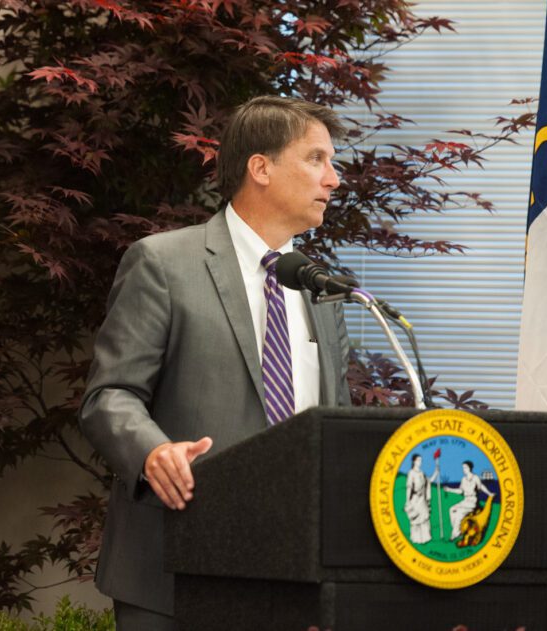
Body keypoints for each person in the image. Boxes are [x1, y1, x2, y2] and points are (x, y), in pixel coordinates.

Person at [79, 95, 352, 629]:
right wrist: (153, 451)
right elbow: (108, 396)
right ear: (261, 168)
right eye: (317, 159)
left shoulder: (319, 286)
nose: (334, 179)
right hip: (175, 569)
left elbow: (333, 421)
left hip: (291, 572)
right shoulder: (163, 263)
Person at [444, 460, 494, 540]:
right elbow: (461, 491)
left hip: (472, 502)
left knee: (459, 514)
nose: (463, 469)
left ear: (470, 468)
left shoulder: (475, 478)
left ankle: (454, 534)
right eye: (463, 468)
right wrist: (449, 489)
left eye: (465, 467)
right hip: (465, 501)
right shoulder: (463, 479)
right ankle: (459, 530)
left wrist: (489, 493)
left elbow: (481, 487)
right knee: (451, 509)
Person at [404, 454, 440, 544]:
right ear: (414, 461)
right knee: (416, 520)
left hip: (422, 500)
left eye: (421, 460)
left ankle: (426, 538)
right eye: (418, 460)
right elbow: (409, 487)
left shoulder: (422, 473)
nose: (420, 462)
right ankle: (416, 539)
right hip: (415, 499)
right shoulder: (411, 473)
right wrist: (408, 501)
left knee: (425, 518)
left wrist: (436, 471)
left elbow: (430, 481)